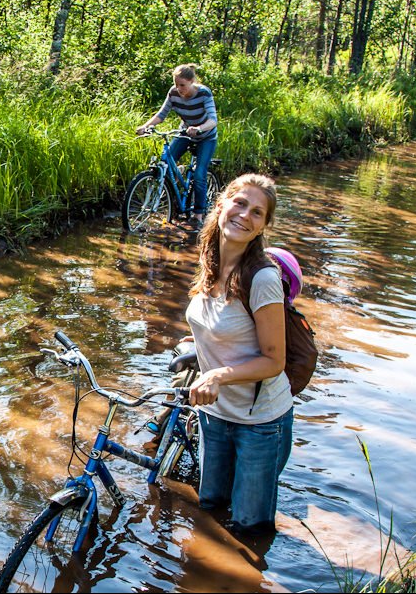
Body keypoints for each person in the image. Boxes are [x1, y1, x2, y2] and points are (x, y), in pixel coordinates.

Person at [184, 173, 293, 535]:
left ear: (264, 226)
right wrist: (192, 348)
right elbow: (217, 325)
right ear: (222, 204)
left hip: (261, 423)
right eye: (240, 203)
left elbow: (274, 361)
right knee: (210, 507)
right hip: (214, 415)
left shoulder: (262, 279)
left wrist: (217, 375)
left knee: (250, 526)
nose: (245, 215)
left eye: (257, 212)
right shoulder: (209, 258)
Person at [137, 63, 218, 229]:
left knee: (200, 174)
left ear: (192, 81)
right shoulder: (173, 93)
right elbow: (162, 114)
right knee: (166, 164)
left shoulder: (204, 93)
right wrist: (146, 126)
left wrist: (199, 128)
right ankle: (173, 200)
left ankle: (198, 214)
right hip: (185, 132)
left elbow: (213, 120)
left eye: (182, 85)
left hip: (206, 137)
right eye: (176, 84)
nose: (179, 88)